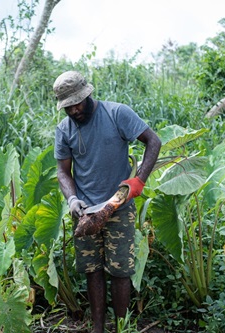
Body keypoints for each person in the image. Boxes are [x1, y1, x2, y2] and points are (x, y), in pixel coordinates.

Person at [53, 70, 161, 332]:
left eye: (77, 102)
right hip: (86, 211)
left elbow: (153, 142)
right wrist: (73, 199)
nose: (75, 110)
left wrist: (139, 180)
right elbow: (63, 172)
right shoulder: (64, 129)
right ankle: (98, 328)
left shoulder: (116, 114)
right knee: (92, 269)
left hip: (118, 205)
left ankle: (121, 327)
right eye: (68, 106)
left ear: (88, 94)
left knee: (121, 270)